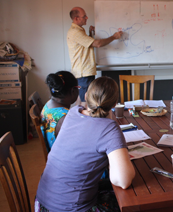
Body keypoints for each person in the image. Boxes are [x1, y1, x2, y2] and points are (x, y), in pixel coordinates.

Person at [35, 76, 135, 212]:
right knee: (129, 201)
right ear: (114, 104)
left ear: (86, 96)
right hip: (70, 209)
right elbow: (123, 181)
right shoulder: (109, 128)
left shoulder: (72, 113)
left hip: (42, 204)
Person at [67, 7, 123, 105]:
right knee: (86, 101)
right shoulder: (76, 32)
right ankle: (85, 120)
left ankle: (82, 118)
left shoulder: (79, 30)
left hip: (84, 71)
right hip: (83, 72)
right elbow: (97, 44)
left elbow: (85, 45)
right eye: (84, 16)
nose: (87, 17)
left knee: (83, 99)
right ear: (76, 18)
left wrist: (90, 33)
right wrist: (114, 37)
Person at [41, 71, 79, 152]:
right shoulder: (66, 118)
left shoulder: (48, 105)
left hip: (53, 156)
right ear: (73, 90)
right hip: (64, 161)